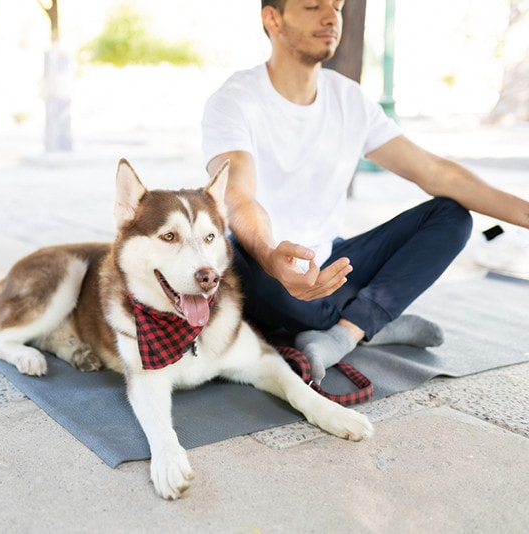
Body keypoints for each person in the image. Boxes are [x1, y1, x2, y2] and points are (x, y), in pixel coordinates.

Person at [201, 0, 529, 382]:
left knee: (451, 217)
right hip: (267, 264)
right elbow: (237, 195)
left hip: (331, 258)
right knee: (249, 266)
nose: (331, 18)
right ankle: (374, 319)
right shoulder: (234, 100)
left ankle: (343, 334)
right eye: (312, 6)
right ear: (272, 18)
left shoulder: (349, 98)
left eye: (337, 7)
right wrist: (271, 256)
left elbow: (435, 172)